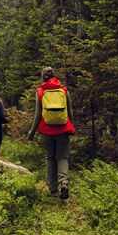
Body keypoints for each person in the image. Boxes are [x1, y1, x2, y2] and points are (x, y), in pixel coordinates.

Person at [28, 67, 76, 199]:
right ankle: (64, 183)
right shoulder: (64, 90)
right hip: (63, 129)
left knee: (50, 157)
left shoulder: (40, 92)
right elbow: (70, 112)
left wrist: (32, 132)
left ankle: (53, 190)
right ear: (55, 76)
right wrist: (72, 126)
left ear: (43, 77)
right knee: (62, 157)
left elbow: (38, 115)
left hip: (46, 130)